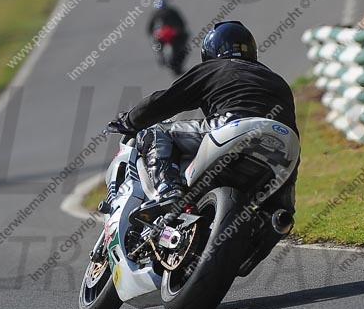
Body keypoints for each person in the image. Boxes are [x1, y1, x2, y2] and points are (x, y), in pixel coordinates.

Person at [111, 21, 299, 220]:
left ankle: (168, 192)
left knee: (156, 132)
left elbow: (164, 101)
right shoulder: (277, 80)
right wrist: (284, 203)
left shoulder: (213, 68)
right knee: (277, 217)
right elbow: (292, 133)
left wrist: (130, 120)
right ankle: (275, 219)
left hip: (233, 125)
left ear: (211, 51)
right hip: (282, 142)